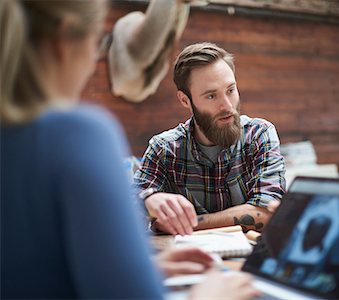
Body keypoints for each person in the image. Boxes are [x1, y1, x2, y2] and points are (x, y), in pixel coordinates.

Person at [0, 1, 260, 299]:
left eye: (230, 90)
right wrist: (210, 296)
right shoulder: (79, 135)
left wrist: (141, 268)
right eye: (98, 40)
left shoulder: (259, 133)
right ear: (65, 39)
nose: (92, 59)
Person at [134, 42, 286, 235]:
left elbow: (266, 214)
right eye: (211, 96)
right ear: (185, 100)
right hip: (183, 261)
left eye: (230, 90)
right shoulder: (164, 149)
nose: (227, 105)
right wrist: (148, 199)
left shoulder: (259, 135)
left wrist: (185, 224)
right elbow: (127, 206)